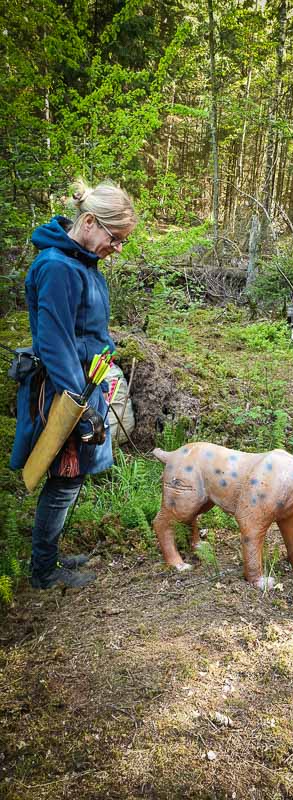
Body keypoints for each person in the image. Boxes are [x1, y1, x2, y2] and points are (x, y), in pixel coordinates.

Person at [10, 178, 138, 589]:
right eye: (115, 238)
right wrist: (77, 409)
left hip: (86, 385)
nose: (117, 248)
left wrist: (105, 353)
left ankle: (49, 558)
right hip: (65, 391)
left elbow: (86, 330)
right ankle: (44, 571)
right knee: (64, 479)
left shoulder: (81, 263)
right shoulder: (56, 267)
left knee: (72, 478)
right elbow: (56, 343)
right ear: (88, 222)